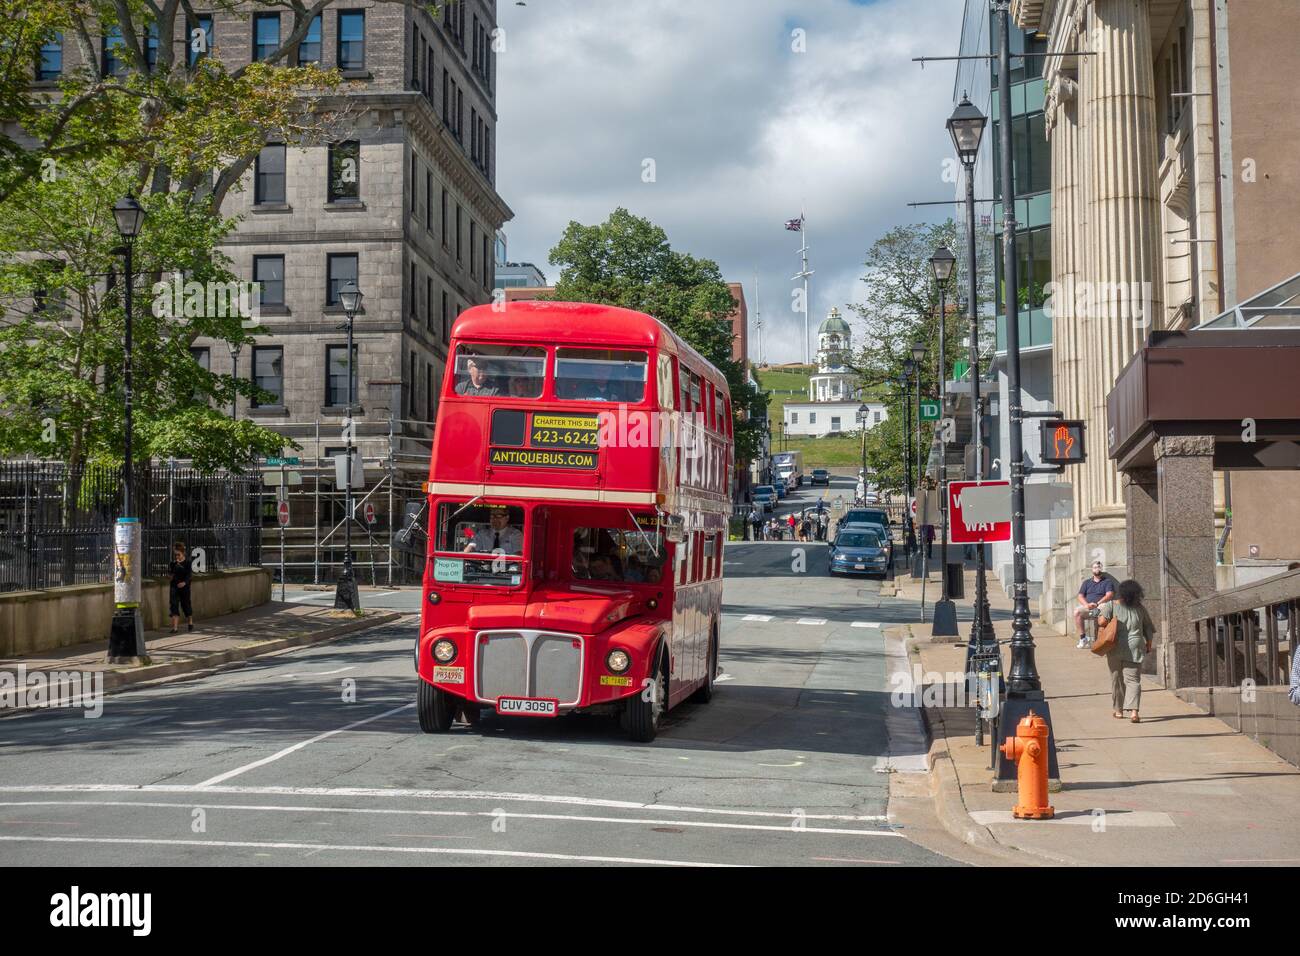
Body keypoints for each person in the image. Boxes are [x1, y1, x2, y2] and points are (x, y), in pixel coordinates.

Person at [1096, 579, 1155, 722]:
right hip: (1135, 647)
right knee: (1133, 680)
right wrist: (1148, 644)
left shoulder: (1111, 605)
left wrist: (1105, 613)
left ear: (1121, 592)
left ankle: (1119, 711)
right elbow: (1148, 627)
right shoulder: (1140, 608)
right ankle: (1134, 712)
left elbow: (1101, 622)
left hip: (1114, 646)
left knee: (1117, 679)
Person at [1074, 560, 1116, 648]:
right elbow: (1080, 596)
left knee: (1104, 609)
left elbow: (1109, 595)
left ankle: (1102, 640)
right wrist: (1086, 605)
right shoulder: (1086, 582)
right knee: (1077, 612)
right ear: (1092, 570)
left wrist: (1097, 604)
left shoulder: (1107, 582)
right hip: (1088, 606)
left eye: (1099, 567)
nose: (1097, 569)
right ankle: (1083, 639)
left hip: (1101, 605)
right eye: (1095, 567)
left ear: (1102, 568)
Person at [168, 541, 193, 634]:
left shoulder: (187, 562)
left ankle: (190, 621)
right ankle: (175, 628)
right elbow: (170, 574)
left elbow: (189, 575)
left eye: (178, 554)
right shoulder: (173, 563)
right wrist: (171, 575)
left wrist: (184, 583)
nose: (177, 557)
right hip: (174, 587)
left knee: (185, 605)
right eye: (175, 555)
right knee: (173, 605)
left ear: (183, 553)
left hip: (184, 587)